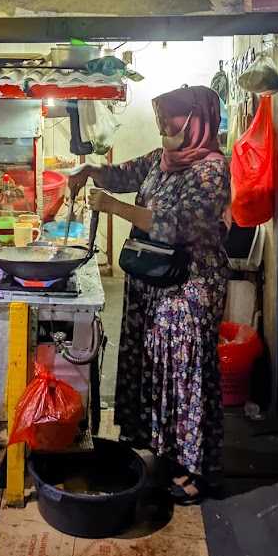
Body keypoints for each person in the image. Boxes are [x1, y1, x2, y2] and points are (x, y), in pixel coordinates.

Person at [69, 85, 230, 505]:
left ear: (196, 121)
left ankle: (196, 469)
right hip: (154, 281)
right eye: (159, 117)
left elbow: (176, 224)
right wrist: (89, 170)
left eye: (171, 118)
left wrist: (114, 208)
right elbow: (121, 174)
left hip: (189, 287)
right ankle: (163, 451)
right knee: (155, 366)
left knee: (185, 375)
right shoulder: (162, 161)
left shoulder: (212, 170)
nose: (162, 126)